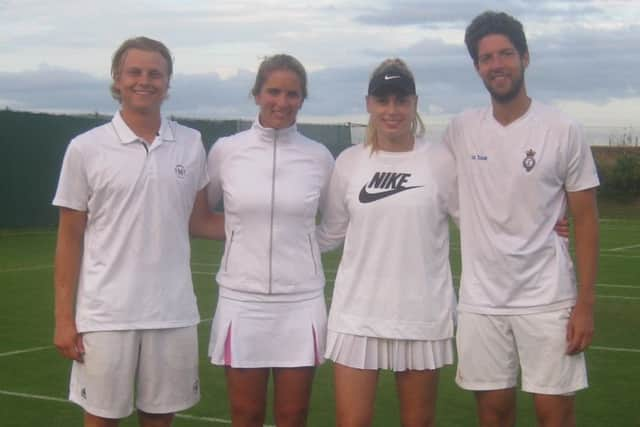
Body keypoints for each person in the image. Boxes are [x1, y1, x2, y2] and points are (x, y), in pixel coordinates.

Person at [444, 11, 600, 427]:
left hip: (548, 299)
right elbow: (432, 187)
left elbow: (584, 219)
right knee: (493, 415)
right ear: (477, 67)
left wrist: (584, 305)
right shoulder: (460, 129)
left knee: (555, 415)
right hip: (481, 302)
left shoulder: (563, 129)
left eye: (506, 53)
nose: (497, 64)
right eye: (487, 57)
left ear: (525, 58)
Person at [53, 37, 215, 427]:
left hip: (173, 313)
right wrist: (63, 318)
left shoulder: (191, 144)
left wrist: (277, 226)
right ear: (117, 79)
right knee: (102, 420)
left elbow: (200, 221)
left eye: (155, 73)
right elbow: (70, 237)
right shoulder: (85, 148)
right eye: (135, 72)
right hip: (106, 315)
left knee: (159, 420)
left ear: (167, 81)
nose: (145, 81)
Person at [316, 58, 458, 427]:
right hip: (356, 316)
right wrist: (269, 237)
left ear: (414, 103)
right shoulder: (348, 162)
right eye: (383, 100)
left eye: (401, 100)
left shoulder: (441, 162)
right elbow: (328, 234)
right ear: (369, 104)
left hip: (422, 317)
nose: (392, 110)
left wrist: (539, 226)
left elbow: (478, 227)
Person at [201, 54, 334, 427]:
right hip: (242, 300)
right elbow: (201, 215)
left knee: (293, 416)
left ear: (302, 99)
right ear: (256, 94)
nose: (282, 101)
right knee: (246, 415)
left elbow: (335, 224)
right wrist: (239, 235)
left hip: (302, 300)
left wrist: (304, 245)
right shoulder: (227, 151)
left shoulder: (318, 157)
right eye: (273, 91)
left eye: (292, 94)